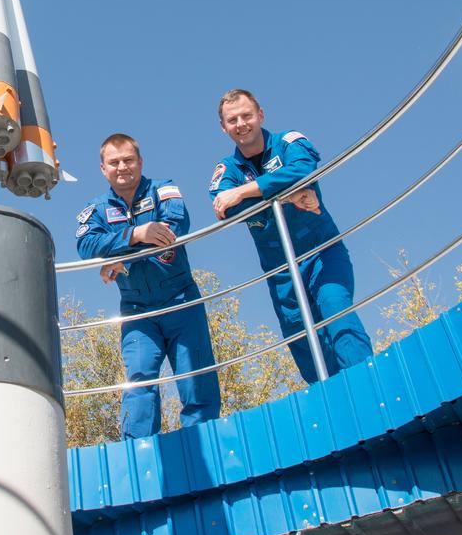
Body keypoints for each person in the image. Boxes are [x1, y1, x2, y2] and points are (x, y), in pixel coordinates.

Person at [209, 88, 372, 383]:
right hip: (280, 269)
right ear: (224, 127)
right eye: (232, 120)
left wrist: (245, 192)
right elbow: (224, 208)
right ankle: (331, 401)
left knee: (335, 309)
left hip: (321, 252)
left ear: (261, 115)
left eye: (247, 115)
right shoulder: (227, 169)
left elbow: (303, 168)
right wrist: (289, 197)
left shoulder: (287, 141)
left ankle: (366, 386)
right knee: (300, 336)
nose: (241, 124)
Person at [75, 133, 221, 438]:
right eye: (114, 162)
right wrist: (137, 234)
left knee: (195, 377)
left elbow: (172, 230)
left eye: (128, 160)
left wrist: (121, 259)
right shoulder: (96, 208)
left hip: (181, 300)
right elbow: (87, 246)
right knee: (139, 379)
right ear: (103, 169)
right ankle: (138, 453)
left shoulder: (163, 189)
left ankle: (204, 444)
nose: (122, 167)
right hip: (137, 309)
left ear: (140, 162)